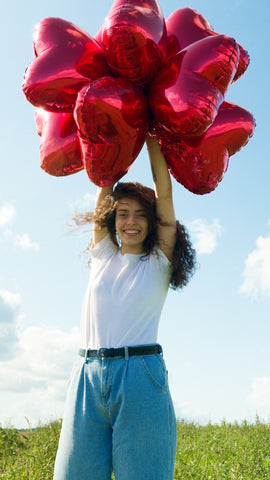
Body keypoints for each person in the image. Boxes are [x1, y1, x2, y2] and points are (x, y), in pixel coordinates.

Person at [53, 134, 196, 480]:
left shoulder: (158, 262)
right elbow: (104, 187)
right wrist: (122, 131)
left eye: (139, 216)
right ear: (113, 221)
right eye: (123, 215)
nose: (130, 222)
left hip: (140, 377)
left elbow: (164, 196)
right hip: (87, 374)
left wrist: (150, 141)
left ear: (150, 223)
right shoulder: (102, 254)